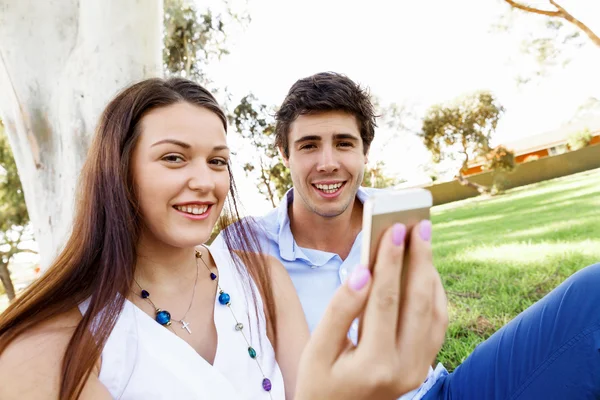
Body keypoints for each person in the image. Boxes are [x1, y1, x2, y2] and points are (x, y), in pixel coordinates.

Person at [0, 77, 446, 400]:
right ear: (117, 170)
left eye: (217, 161)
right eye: (174, 158)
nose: (205, 181)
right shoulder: (51, 345)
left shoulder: (259, 273)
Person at [215, 71, 600, 399]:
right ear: (285, 154)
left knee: (592, 292)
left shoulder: (395, 213)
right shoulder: (243, 246)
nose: (328, 163)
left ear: (365, 151)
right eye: (309, 145)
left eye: (344, 143)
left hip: (440, 391)